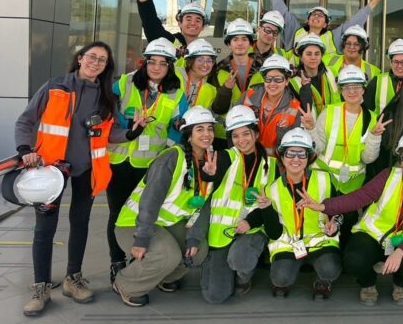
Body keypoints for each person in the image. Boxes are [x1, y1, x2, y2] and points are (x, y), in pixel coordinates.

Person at [14, 42, 139, 317]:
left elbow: (111, 134)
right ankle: (41, 287)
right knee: (45, 228)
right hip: (50, 170)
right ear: (80, 58)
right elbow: (25, 121)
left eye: (103, 60)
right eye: (92, 57)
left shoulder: (107, 98)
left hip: (86, 170)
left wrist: (132, 132)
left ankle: (73, 279)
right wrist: (25, 150)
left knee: (79, 224)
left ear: (107, 67)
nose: (96, 63)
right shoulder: (54, 87)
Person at [300, 130, 403, 306]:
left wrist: (400, 251)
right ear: (400, 159)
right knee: (353, 259)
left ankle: (401, 285)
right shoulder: (389, 175)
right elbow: (359, 197)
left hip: (402, 241)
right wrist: (324, 206)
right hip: (372, 235)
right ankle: (368, 284)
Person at [113, 106, 218, 307]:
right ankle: (125, 284)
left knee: (198, 250)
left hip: (168, 223)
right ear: (188, 135)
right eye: (200, 129)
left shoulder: (208, 161)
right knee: (167, 255)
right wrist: (142, 238)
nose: (207, 134)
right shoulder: (172, 157)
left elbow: (202, 207)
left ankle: (164, 277)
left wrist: (194, 237)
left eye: (209, 129)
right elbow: (150, 200)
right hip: (135, 223)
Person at [106, 38, 188, 284]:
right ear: (144, 62)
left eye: (163, 64)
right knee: (117, 214)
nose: (156, 68)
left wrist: (169, 154)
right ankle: (116, 259)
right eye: (152, 62)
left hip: (152, 165)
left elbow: (177, 127)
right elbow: (105, 111)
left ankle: (139, 261)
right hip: (121, 162)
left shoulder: (176, 92)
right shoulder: (124, 83)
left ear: (170, 66)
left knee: (147, 214)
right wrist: (124, 127)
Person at [190, 105, 278, 303]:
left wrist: (250, 222)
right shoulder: (225, 157)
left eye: (246, 134)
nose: (241, 140)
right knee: (215, 296)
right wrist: (208, 174)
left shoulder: (272, 165)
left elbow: (273, 204)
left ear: (255, 134)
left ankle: (243, 278)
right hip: (223, 233)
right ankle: (217, 266)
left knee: (241, 260)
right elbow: (213, 170)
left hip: (251, 229)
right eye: (235, 136)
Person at [261, 128, 342, 299]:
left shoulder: (325, 179)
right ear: (282, 157)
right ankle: (287, 276)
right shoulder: (271, 189)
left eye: (301, 154)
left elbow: (340, 211)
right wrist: (267, 208)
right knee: (280, 279)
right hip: (288, 244)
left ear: (309, 157)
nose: (296, 159)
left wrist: (335, 225)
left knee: (330, 270)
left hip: (321, 241)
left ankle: (322, 280)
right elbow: (274, 233)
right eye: (290, 153)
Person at [305, 65, 387, 195]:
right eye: (347, 87)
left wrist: (375, 136)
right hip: (323, 181)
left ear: (363, 90)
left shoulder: (371, 118)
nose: (352, 91)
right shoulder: (329, 112)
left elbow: (368, 159)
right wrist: (311, 129)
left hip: (352, 187)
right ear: (341, 91)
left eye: (356, 87)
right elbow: (317, 148)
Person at [215, 12, 286, 110]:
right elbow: (216, 106)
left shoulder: (266, 67)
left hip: (256, 121)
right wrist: (226, 90)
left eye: (244, 39)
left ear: (249, 43)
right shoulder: (220, 68)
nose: (240, 43)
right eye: (235, 39)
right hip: (226, 122)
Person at [133, 0, 207, 61]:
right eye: (188, 19)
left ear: (202, 27)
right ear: (179, 23)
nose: (193, 23)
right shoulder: (170, 42)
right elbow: (151, 23)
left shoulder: (204, 51)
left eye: (198, 20)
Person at [242, 54, 303, 156]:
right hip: (247, 157)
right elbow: (233, 128)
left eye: (278, 79)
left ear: (287, 81)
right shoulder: (249, 95)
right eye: (268, 79)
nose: (272, 83)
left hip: (276, 163)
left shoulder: (295, 108)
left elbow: (292, 146)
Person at [176, 39, 229, 141]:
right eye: (200, 60)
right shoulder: (174, 75)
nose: (205, 65)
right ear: (190, 61)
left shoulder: (211, 90)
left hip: (190, 140)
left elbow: (212, 117)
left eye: (209, 61)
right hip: (163, 136)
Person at [290, 33, 338, 115]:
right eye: (308, 54)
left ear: (321, 56)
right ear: (301, 57)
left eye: (317, 54)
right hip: (308, 126)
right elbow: (295, 112)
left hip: (333, 125)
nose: (313, 58)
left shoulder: (332, 73)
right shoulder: (293, 83)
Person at [363, 38, 403, 113]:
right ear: (390, 62)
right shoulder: (377, 81)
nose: (399, 66)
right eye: (395, 62)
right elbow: (366, 111)